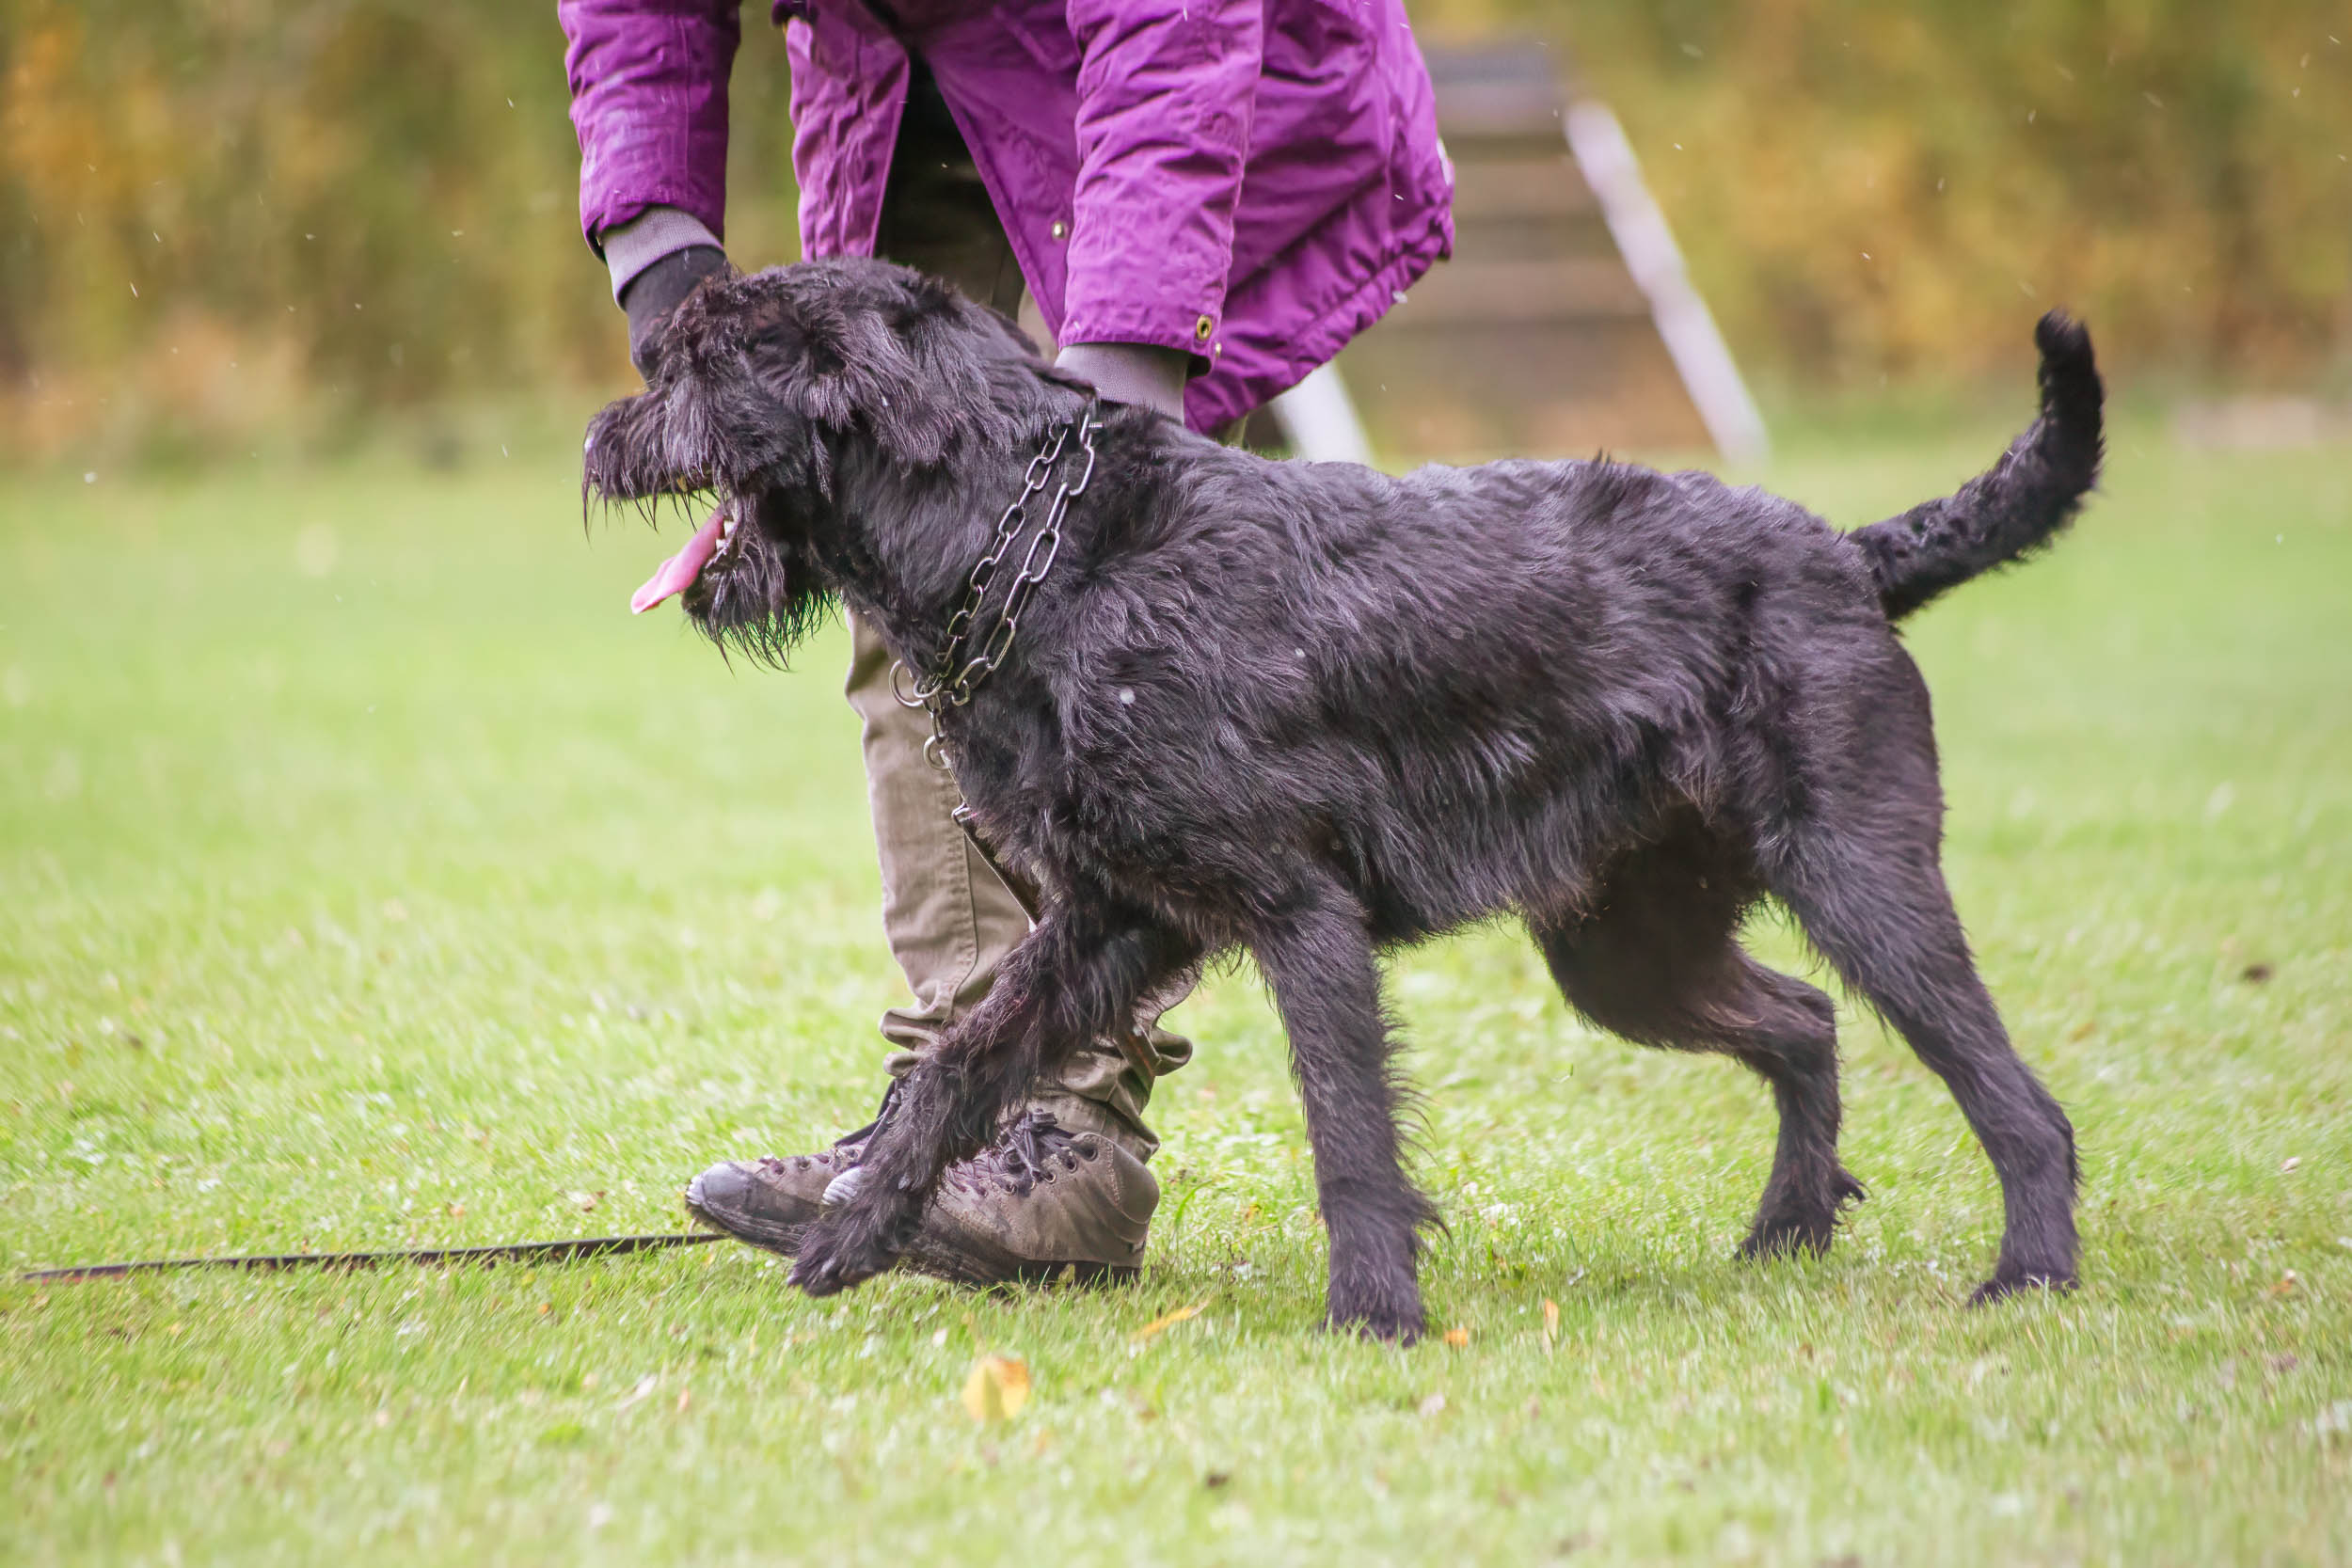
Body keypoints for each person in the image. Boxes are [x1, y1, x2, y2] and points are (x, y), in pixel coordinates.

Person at [560, 0, 1453, 1285]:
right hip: (897, 90)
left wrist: (1124, 385)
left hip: (1167, 90)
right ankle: (952, 1117)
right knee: (901, 591)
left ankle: (1069, 1146)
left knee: (1142, 644)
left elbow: (1177, 26)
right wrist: (660, 246)